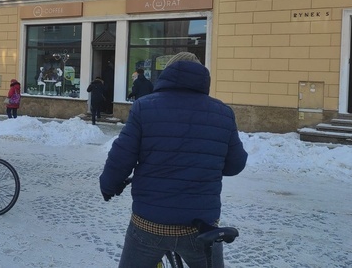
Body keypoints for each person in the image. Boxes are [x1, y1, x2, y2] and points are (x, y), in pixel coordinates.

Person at [99, 52, 248, 268]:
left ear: (166, 74)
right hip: (201, 225)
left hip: (150, 224)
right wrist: (206, 162)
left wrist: (108, 186)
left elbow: (121, 157)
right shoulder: (222, 112)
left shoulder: (144, 107)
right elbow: (236, 164)